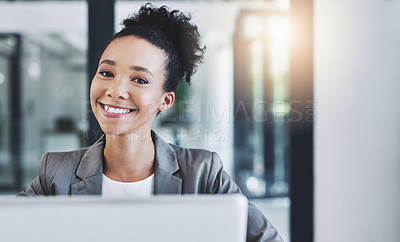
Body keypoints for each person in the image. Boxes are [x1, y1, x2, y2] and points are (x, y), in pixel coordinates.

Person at [18, 3, 283, 242]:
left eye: (140, 80)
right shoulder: (55, 174)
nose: (115, 90)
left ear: (165, 101)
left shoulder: (204, 174)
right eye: (107, 73)